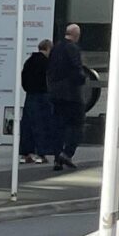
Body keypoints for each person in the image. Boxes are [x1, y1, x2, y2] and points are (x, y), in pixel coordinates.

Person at [46, 23, 88, 172]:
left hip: (56, 94)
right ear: (76, 35)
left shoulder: (56, 48)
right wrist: (82, 78)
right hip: (72, 95)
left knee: (59, 127)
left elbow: (50, 70)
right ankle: (67, 153)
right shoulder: (73, 48)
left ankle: (57, 158)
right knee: (78, 124)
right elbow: (77, 70)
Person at [19, 38, 54, 167]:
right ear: (48, 49)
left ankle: (26, 154)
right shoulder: (47, 63)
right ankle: (41, 154)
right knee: (42, 125)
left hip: (30, 96)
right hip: (43, 96)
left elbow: (23, 80)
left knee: (28, 125)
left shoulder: (28, 62)